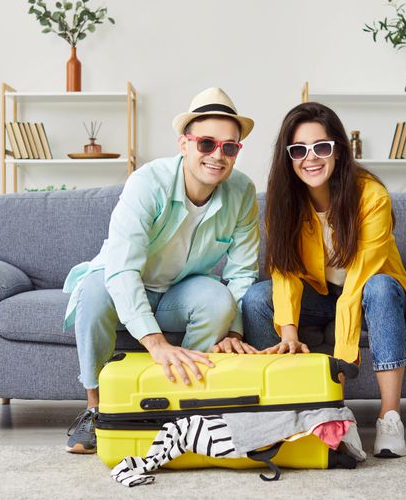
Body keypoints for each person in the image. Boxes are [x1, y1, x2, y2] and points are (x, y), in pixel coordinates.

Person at [61, 88, 261, 454]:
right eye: (206, 143)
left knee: (218, 299)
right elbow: (121, 271)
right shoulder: (147, 182)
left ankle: (176, 406)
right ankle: (95, 409)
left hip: (177, 290)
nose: (218, 155)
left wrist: (234, 327)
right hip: (120, 280)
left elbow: (243, 271)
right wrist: (155, 343)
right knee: (94, 290)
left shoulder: (243, 191)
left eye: (229, 147)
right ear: (184, 144)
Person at [242, 102, 406, 458]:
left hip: (369, 289)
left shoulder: (371, 195)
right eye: (299, 150)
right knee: (256, 298)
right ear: (288, 158)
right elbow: (284, 271)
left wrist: (343, 359)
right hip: (320, 293)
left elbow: (360, 278)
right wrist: (289, 333)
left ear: (339, 151)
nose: (310, 158)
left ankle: (390, 417)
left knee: (381, 287)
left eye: (321, 147)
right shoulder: (283, 203)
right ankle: (293, 411)